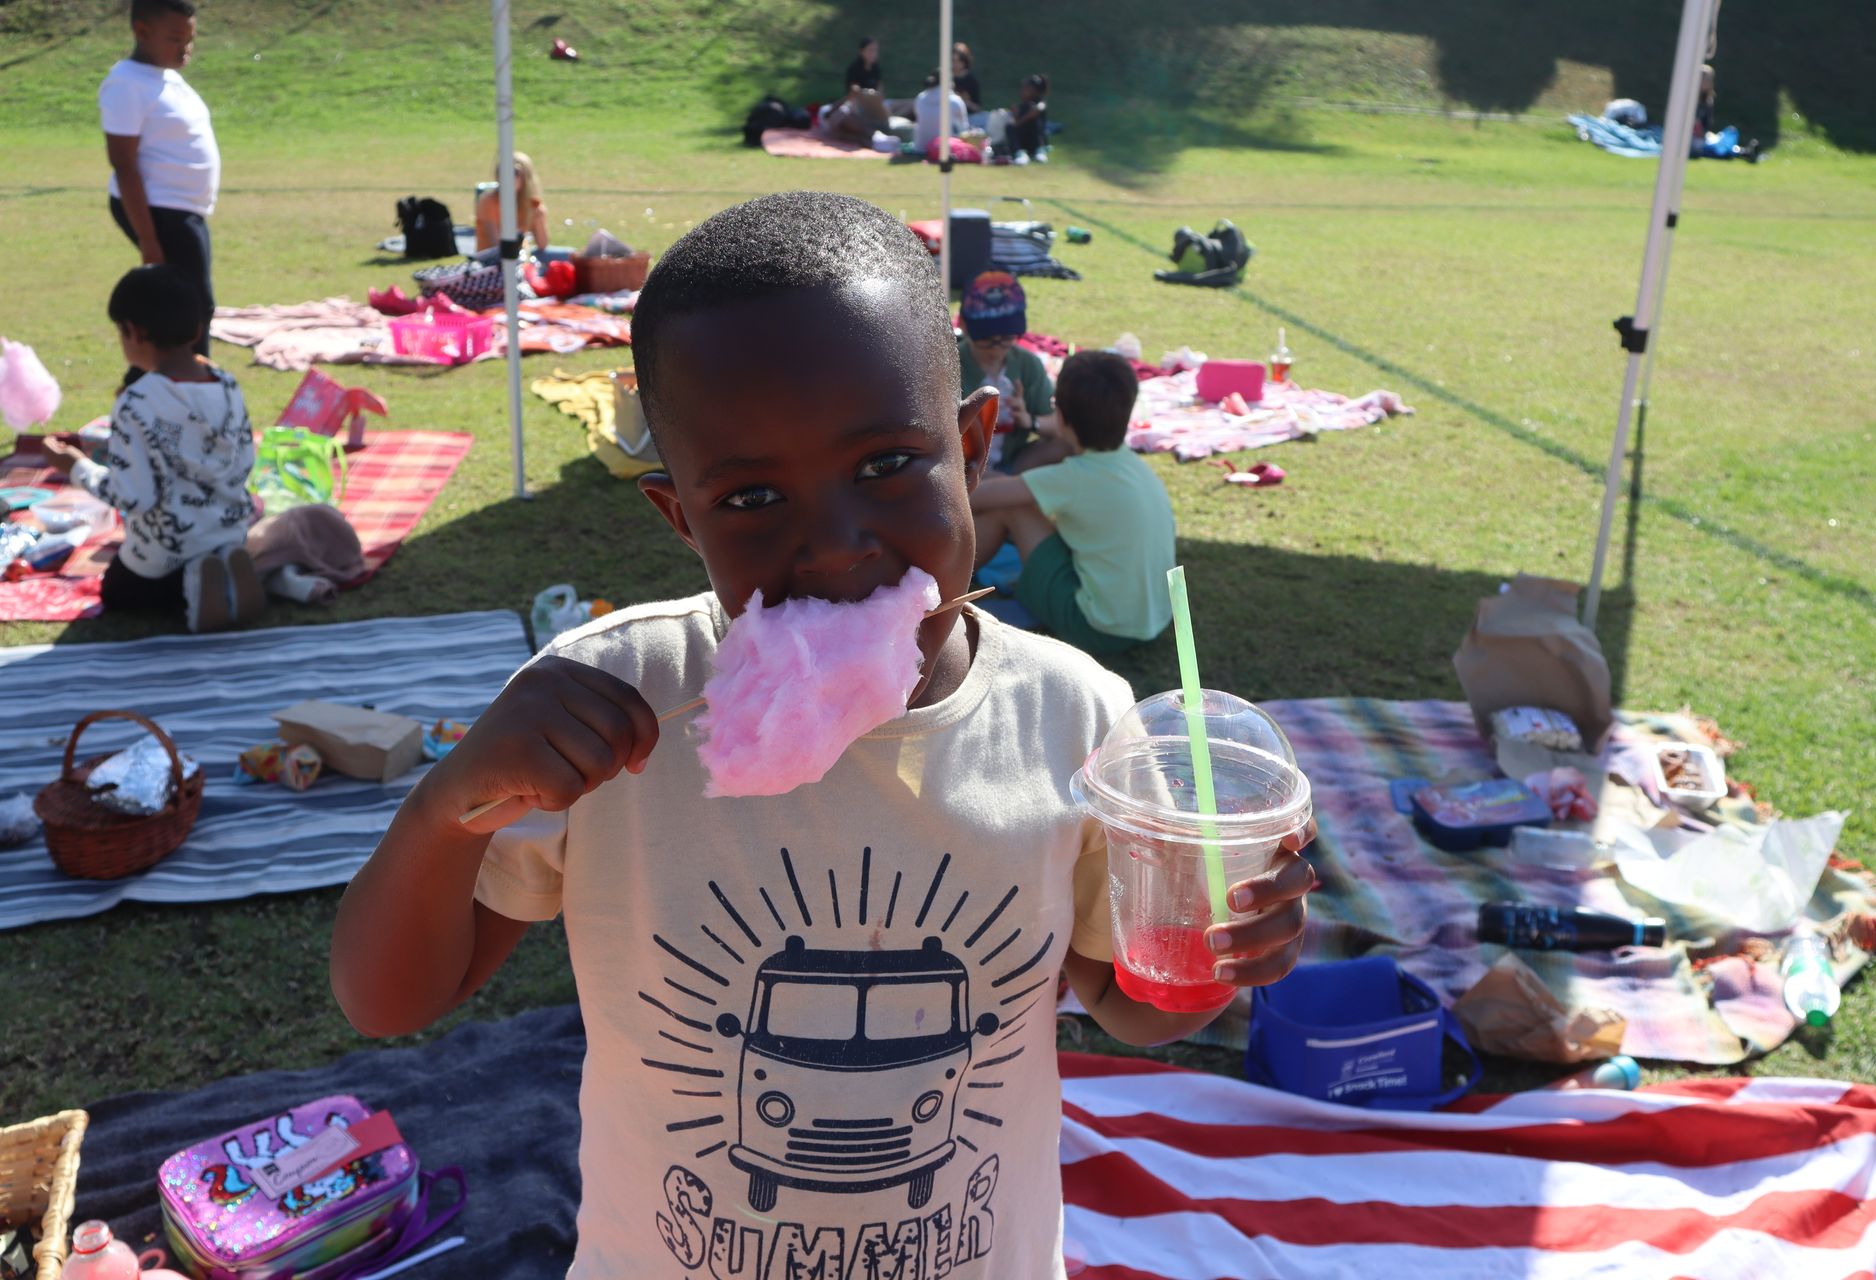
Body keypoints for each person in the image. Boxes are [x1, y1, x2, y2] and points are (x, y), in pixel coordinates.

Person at [330, 191, 1313, 1280]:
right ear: (680, 517)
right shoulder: (615, 709)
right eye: (751, 496)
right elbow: (390, 995)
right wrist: (445, 806)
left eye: (888, 466)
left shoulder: (1071, 718)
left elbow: (1127, 1005)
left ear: (975, 445)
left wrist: (1211, 955)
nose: (836, 546)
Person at [42, 265, 262, 633]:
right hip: (227, 534)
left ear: (133, 331)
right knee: (205, 551)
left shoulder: (137, 401)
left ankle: (190, 584)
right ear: (196, 330)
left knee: (118, 589)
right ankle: (233, 575)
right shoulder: (227, 384)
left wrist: (75, 466)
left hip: (166, 554)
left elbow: (135, 498)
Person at [971, 351, 1174, 654]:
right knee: (1008, 487)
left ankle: (946, 582)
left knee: (1011, 505)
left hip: (1098, 629)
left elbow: (975, 499)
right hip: (1152, 620)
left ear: (1062, 416)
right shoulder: (1130, 465)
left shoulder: (1073, 478)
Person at [100, 0, 220, 379]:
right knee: (193, 310)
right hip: (159, 211)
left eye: (189, 39)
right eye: (174, 38)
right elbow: (124, 165)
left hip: (182, 211)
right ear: (142, 31)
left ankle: (145, 392)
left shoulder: (165, 77)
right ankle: (185, 396)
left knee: (184, 309)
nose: (184, 47)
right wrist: (149, 241)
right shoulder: (126, 84)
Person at [956, 272, 1064, 473]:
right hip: (961, 468)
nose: (996, 347)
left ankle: (1002, 490)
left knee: (1067, 447)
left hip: (1013, 460)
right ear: (963, 325)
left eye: (1005, 337)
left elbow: (1058, 426)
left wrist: (1029, 420)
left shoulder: (1027, 364)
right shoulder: (949, 365)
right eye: (986, 338)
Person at [473, 151, 551, 256]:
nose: (509, 177)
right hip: (491, 262)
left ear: (526, 177)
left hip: (521, 257)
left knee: (565, 257)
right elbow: (496, 246)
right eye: (503, 171)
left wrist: (538, 217)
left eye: (515, 172)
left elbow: (542, 245)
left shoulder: (532, 204)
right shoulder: (488, 202)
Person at [911, 71, 967, 152]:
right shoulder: (955, 100)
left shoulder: (920, 97)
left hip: (920, 148)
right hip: (946, 150)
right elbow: (964, 127)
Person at [1008, 73, 1049, 162]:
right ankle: (1019, 153)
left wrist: (1019, 121)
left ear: (1035, 91)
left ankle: (1039, 151)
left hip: (1035, 140)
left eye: (1026, 89)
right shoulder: (1021, 106)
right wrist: (1015, 115)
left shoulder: (1039, 105)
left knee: (1034, 122)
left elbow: (1036, 111)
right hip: (1024, 140)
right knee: (1009, 126)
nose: (1022, 91)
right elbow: (1015, 124)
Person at [952, 42, 984, 116]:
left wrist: (965, 102)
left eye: (958, 61)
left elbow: (978, 108)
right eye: (953, 60)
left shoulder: (972, 81)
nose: (955, 64)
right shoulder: (944, 78)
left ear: (965, 62)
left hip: (968, 118)